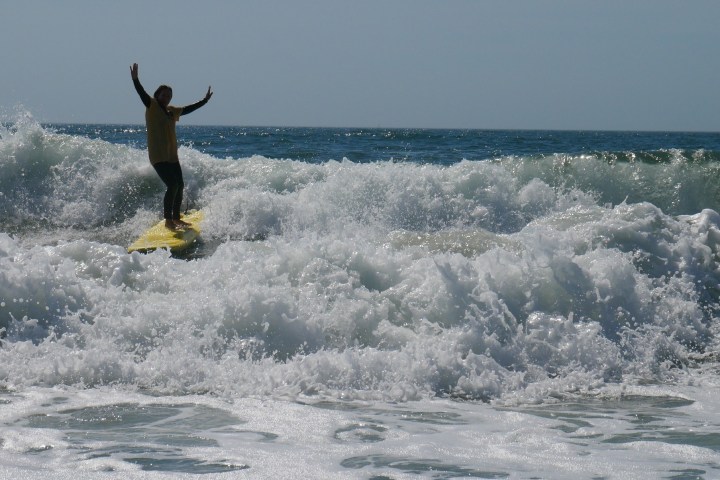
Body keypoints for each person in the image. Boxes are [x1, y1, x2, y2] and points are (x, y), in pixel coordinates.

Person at [130, 63, 213, 230]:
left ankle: (177, 218)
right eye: (164, 95)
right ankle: (168, 221)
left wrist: (204, 101)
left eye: (169, 96)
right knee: (172, 185)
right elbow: (142, 93)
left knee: (180, 185)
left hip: (172, 156)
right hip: (158, 156)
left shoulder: (171, 111)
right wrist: (136, 80)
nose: (167, 98)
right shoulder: (151, 106)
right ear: (157, 95)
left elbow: (188, 109)